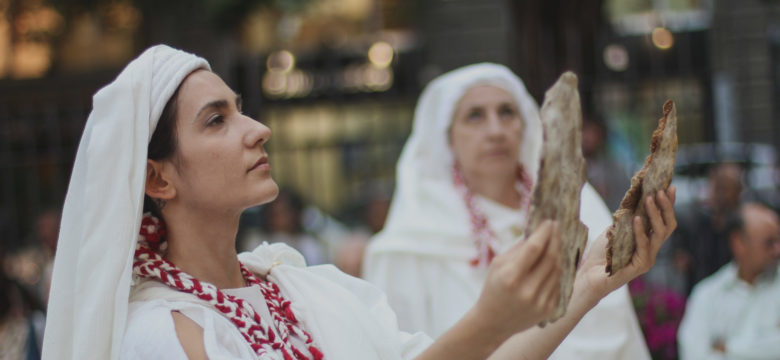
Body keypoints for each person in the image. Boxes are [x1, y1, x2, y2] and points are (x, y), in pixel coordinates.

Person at [41, 45, 673, 360]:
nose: (256, 129)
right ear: (158, 180)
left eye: (241, 109)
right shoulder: (159, 336)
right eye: (216, 120)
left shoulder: (304, 287)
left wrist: (593, 281)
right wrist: (493, 315)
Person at [363, 63, 667, 359]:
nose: (495, 130)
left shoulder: (575, 204)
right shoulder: (405, 246)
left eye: (506, 112)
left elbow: (610, 321)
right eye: (474, 116)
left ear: (525, 124)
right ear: (447, 138)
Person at [677, 203, 780, 359]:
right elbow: (692, 355)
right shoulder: (707, 294)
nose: (777, 250)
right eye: (769, 242)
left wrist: (728, 348)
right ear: (738, 243)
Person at [673, 162, 743, 294]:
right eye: (717, 188)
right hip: (700, 291)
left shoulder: (743, 223)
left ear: (738, 191)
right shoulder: (700, 221)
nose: (720, 195)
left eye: (725, 188)